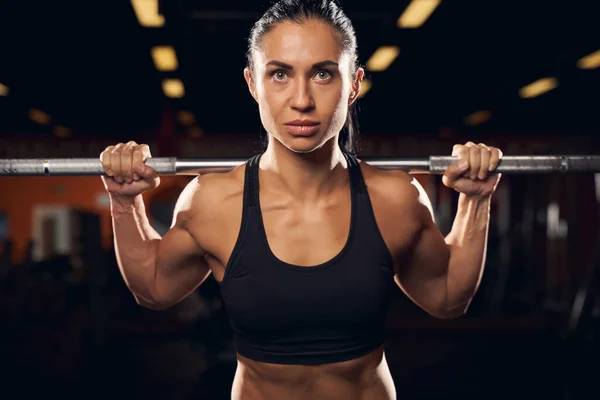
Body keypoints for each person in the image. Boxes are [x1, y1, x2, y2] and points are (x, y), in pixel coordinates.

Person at [99, 0, 503, 398]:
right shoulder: (213, 201)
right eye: (279, 74)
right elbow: (153, 288)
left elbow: (448, 298)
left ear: (354, 84)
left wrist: (476, 200)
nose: (302, 100)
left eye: (323, 74)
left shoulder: (394, 198)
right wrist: (123, 201)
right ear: (253, 83)